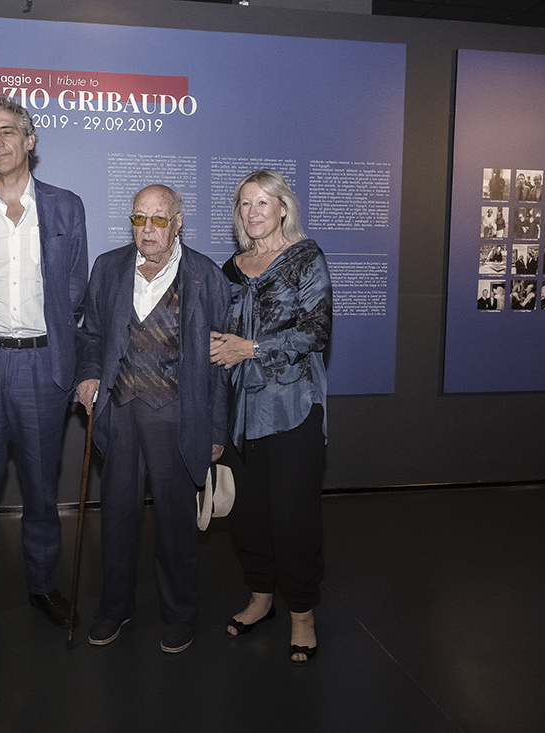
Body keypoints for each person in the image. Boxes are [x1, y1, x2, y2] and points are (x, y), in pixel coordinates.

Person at [0, 96, 88, 641]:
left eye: (7, 131)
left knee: (41, 492)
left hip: (40, 365)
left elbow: (75, 285)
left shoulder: (65, 206)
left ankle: (42, 586)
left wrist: (49, 340)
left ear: (29, 141)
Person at [75, 185, 229, 654]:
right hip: (119, 411)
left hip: (177, 416)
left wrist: (216, 429)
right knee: (116, 517)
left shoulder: (205, 275)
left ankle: (179, 612)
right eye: (139, 219)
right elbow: (91, 335)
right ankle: (113, 608)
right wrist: (85, 375)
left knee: (176, 521)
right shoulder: (108, 267)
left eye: (159, 220)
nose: (147, 230)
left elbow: (221, 361)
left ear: (177, 222)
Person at [209, 170, 331, 665]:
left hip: (292, 408)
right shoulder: (230, 270)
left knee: (292, 516)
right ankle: (261, 598)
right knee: (247, 515)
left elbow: (316, 330)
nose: (253, 211)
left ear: (283, 207)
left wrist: (252, 347)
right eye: (244, 204)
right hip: (238, 413)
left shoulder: (306, 258)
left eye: (263, 202)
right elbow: (216, 340)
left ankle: (302, 613)